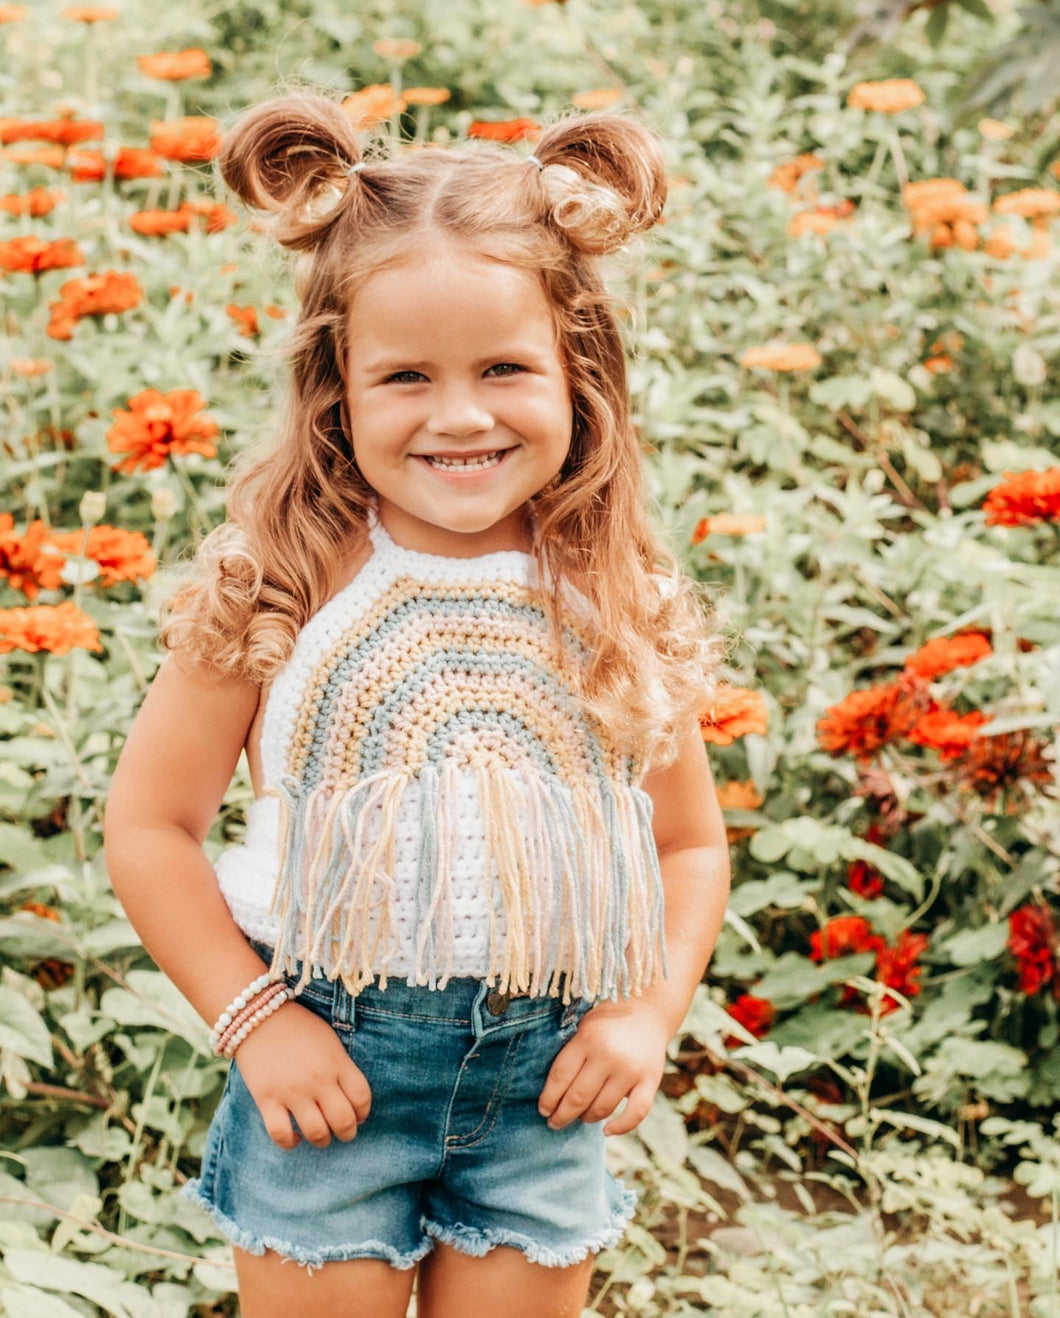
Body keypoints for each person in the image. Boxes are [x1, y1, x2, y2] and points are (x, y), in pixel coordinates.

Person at [103, 89, 733, 1318]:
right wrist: (256, 1021)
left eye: (505, 367)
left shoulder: (609, 591)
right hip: (330, 1067)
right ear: (336, 383)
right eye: (404, 376)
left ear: (577, 371)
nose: (459, 415)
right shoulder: (279, 581)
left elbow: (689, 840)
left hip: (547, 1088)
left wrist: (647, 1010)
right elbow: (149, 827)